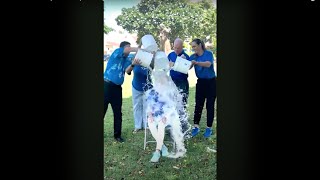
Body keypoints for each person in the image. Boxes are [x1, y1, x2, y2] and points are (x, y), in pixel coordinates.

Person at [104, 41, 139, 143]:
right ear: (123, 48)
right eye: (128, 47)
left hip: (117, 89)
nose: (130, 48)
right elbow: (128, 49)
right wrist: (138, 49)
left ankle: (117, 135)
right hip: (106, 86)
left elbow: (127, 70)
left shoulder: (127, 59)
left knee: (118, 112)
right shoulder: (116, 52)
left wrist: (133, 64)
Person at [189, 38, 217, 138]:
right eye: (192, 47)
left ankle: (209, 128)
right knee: (198, 105)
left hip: (211, 83)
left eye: (194, 46)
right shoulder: (193, 56)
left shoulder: (208, 53)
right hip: (200, 83)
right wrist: (185, 60)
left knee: (210, 105)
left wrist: (196, 63)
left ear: (200, 45)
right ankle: (196, 126)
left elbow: (208, 64)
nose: (193, 49)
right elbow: (187, 67)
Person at [168, 38, 191, 134]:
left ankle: (183, 124)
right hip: (172, 82)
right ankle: (173, 124)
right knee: (172, 102)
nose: (176, 49)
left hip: (182, 82)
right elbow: (166, 66)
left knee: (182, 102)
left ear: (182, 47)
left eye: (178, 48)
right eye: (175, 47)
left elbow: (187, 68)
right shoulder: (170, 55)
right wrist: (169, 65)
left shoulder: (186, 56)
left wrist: (184, 62)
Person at [125, 57, 152, 133]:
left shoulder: (150, 60)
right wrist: (133, 64)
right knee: (137, 106)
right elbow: (127, 71)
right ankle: (138, 126)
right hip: (136, 86)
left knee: (147, 107)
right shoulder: (134, 60)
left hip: (148, 88)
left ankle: (146, 125)